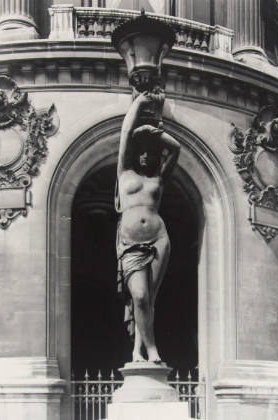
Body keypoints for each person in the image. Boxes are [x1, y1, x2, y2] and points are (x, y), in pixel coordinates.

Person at [116, 91, 180, 363]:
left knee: (149, 299)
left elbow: (176, 149)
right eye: (140, 152)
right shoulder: (124, 173)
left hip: (158, 239)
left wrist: (155, 134)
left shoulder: (159, 178)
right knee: (139, 297)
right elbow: (124, 135)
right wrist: (139, 104)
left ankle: (139, 352)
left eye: (149, 153)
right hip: (130, 243)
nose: (144, 156)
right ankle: (149, 349)